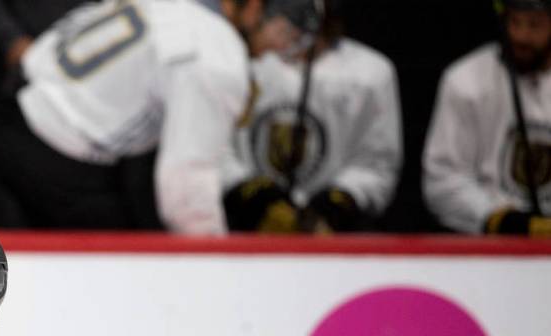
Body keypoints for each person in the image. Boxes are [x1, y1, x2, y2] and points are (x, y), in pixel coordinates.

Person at [0, 0, 301, 233]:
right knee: (127, 276)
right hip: (54, 145)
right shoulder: (216, 53)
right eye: (285, 28)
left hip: (15, 105)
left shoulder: (176, 8)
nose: (283, 46)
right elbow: (186, 192)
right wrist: (219, 269)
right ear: (254, 8)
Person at [225, 0, 403, 233]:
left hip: (334, 242)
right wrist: (254, 197)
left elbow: (376, 163)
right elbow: (208, 148)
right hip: (243, 233)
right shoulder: (237, 63)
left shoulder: (371, 73)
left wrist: (338, 202)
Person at [423, 0, 551, 236]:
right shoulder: (465, 79)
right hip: (488, 244)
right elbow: (442, 179)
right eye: (515, 22)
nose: (521, 36)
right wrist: (501, 220)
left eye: (535, 25)